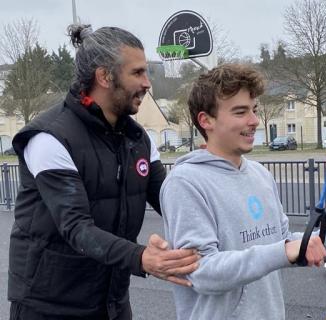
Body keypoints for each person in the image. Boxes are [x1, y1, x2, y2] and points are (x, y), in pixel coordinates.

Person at [8, 24, 199, 320]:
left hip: (111, 302)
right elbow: (76, 228)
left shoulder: (138, 139)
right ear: (104, 76)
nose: (148, 83)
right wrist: (142, 257)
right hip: (49, 305)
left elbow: (172, 200)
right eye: (137, 73)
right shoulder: (49, 138)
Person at [160, 63, 326, 320]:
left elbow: (281, 239)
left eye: (254, 110)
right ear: (206, 120)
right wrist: (282, 252)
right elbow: (203, 272)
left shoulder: (260, 174)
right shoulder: (185, 183)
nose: (254, 121)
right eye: (240, 112)